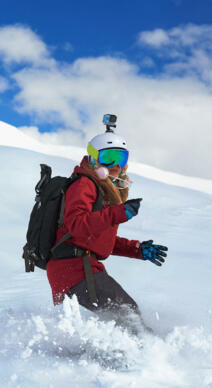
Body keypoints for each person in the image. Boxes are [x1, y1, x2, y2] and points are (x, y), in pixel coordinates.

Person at [45, 120, 168, 334]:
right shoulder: (84, 184)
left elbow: (96, 238)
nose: (115, 165)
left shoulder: (102, 191)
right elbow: (77, 225)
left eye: (121, 158)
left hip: (77, 268)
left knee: (125, 315)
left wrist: (138, 249)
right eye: (107, 157)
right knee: (127, 315)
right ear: (93, 158)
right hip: (74, 269)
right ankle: (142, 359)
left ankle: (129, 356)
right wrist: (119, 213)